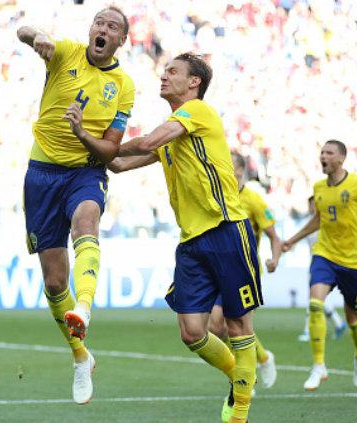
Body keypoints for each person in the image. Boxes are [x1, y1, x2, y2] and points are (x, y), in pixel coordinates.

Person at [101, 52, 261, 423]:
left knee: (237, 325)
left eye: (172, 71)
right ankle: (242, 376)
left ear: (194, 83)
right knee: (192, 333)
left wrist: (106, 143)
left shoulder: (198, 113)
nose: (164, 75)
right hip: (191, 242)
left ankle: (239, 412)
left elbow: (143, 144)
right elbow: (120, 164)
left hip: (226, 230)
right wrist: (87, 142)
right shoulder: (172, 132)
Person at [16, 6, 135, 404]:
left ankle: (83, 307)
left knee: (87, 222)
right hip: (42, 175)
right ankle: (81, 356)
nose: (103, 29)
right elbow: (24, 29)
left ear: (121, 40)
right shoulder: (64, 52)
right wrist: (38, 38)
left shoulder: (123, 85)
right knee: (53, 282)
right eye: (99, 23)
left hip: (84, 171)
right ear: (91, 30)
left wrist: (82, 133)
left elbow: (111, 149)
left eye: (112, 27)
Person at [281, 140, 357, 391]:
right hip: (325, 254)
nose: (323, 156)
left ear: (341, 159)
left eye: (328, 153)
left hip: (354, 262)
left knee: (353, 318)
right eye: (321, 152)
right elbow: (318, 220)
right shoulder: (319, 188)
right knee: (315, 304)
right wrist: (292, 240)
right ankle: (318, 365)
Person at [205, 152, 278, 420]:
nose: (231, 177)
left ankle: (254, 370)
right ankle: (255, 363)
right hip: (217, 267)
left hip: (245, 268)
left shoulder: (254, 200)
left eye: (235, 173)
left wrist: (275, 257)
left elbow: (272, 233)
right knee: (216, 327)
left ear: (243, 173)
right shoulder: (217, 192)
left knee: (236, 325)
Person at [297, 195, 347, 342]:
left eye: (314, 205)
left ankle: (307, 331)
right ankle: (339, 323)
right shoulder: (309, 224)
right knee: (318, 299)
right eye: (310, 205)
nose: (312, 207)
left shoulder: (325, 223)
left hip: (324, 265)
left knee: (313, 298)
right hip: (313, 264)